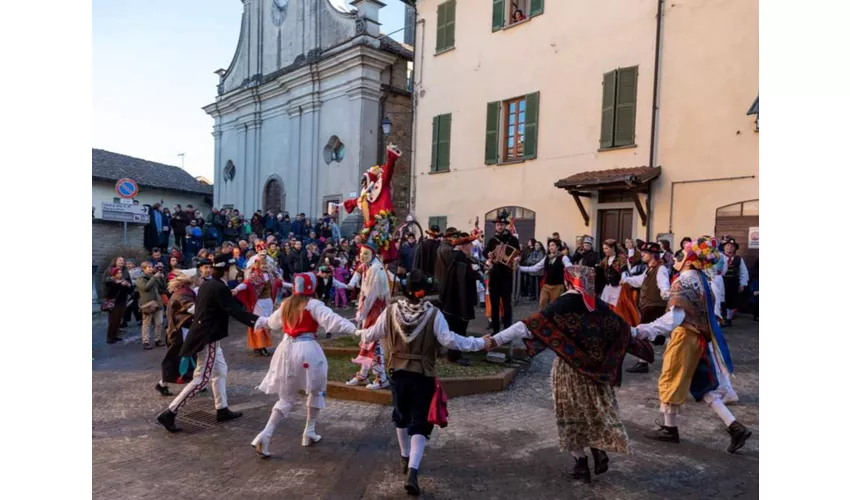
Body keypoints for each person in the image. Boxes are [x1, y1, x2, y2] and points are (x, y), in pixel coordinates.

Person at [488, 266, 655, 483]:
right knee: (594, 412)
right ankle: (597, 448)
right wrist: (650, 332)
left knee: (570, 415)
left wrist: (495, 340)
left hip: (569, 371)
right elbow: (626, 331)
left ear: (568, 282)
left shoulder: (562, 304)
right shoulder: (601, 307)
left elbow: (527, 326)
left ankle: (581, 464)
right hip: (598, 376)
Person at [356, 270, 487, 495]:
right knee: (421, 421)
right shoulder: (434, 314)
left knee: (400, 416)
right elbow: (450, 340)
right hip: (422, 375)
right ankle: (413, 471)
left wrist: (355, 329)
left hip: (397, 373)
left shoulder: (390, 311)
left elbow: (370, 335)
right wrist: (479, 343)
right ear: (424, 292)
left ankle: (404, 457)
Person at [634, 236, 751, 454]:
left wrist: (643, 330)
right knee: (702, 385)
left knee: (670, 378)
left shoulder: (684, 280)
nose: (676, 258)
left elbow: (674, 318)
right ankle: (734, 426)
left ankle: (670, 429)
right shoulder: (701, 280)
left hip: (684, 337)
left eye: (680, 255)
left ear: (689, 259)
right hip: (698, 338)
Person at [248, 272, 357, 457]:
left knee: (287, 397)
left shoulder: (286, 304)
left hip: (286, 350)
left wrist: (254, 320)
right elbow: (334, 321)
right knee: (316, 389)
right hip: (308, 350)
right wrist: (356, 330)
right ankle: (309, 430)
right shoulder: (313, 304)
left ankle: (265, 434)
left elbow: (271, 323)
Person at [156, 254, 260, 433]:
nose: (200, 275)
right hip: (206, 336)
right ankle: (170, 412)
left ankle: (222, 408)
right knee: (201, 378)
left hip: (204, 335)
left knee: (220, 371)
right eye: (196, 275)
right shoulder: (192, 292)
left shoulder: (203, 287)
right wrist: (258, 321)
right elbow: (214, 310)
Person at [344, 242, 391, 390]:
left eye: (366, 253)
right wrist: (360, 311)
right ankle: (363, 375)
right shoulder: (366, 266)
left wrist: (362, 313)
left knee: (373, 343)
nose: (362, 256)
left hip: (376, 310)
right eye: (361, 253)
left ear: (373, 255)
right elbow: (362, 291)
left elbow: (371, 297)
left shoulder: (376, 270)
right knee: (366, 341)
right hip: (369, 310)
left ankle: (381, 378)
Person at [620, 242, 670, 374]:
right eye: (642, 252)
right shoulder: (650, 268)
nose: (642, 254)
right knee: (653, 334)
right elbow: (640, 280)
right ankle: (671, 344)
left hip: (655, 305)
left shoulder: (661, 269)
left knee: (642, 332)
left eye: (645, 252)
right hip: (648, 305)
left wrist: (666, 293)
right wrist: (627, 280)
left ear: (653, 255)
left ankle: (643, 362)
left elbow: (663, 284)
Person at [439, 232, 481, 366]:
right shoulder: (460, 259)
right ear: (463, 246)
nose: (471, 247)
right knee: (458, 328)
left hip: (453, 298)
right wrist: (477, 273)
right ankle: (454, 355)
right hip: (458, 300)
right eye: (469, 245)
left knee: (454, 327)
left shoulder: (457, 256)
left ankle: (455, 352)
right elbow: (465, 278)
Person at [156, 271, 198, 397]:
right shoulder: (183, 293)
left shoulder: (185, 291)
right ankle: (163, 384)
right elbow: (191, 307)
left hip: (180, 331)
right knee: (176, 359)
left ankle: (196, 381)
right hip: (178, 332)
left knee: (184, 358)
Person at [484, 211, 521, 332]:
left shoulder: (512, 239)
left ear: (505, 225)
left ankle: (507, 329)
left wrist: (518, 258)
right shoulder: (492, 240)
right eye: (498, 225)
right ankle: (495, 330)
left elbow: (519, 253)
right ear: (496, 226)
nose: (499, 226)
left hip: (507, 275)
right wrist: (488, 254)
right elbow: (485, 252)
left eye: (502, 224)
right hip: (494, 275)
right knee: (494, 305)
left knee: (507, 305)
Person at [234, 256, 276, 356]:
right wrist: (236, 289)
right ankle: (260, 346)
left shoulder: (270, 275)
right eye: (263, 264)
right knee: (259, 323)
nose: (265, 266)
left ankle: (261, 345)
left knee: (267, 323)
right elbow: (246, 284)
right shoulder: (255, 276)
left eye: (266, 264)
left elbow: (278, 284)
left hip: (268, 302)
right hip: (259, 303)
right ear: (258, 265)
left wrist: (291, 286)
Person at [519, 239, 571, 310]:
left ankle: (552, 320)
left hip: (558, 286)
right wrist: (519, 268)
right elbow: (535, 268)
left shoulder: (563, 257)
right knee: (542, 303)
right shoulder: (546, 258)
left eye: (553, 245)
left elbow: (569, 267)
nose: (550, 247)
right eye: (549, 245)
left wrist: (569, 268)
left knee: (554, 307)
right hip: (546, 285)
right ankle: (542, 319)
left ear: (558, 247)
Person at [136, 261, 167, 350]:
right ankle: (145, 341)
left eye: (151, 267)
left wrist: (161, 278)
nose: (150, 268)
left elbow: (163, 288)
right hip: (147, 304)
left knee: (159, 322)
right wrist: (154, 277)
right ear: (143, 269)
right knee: (146, 324)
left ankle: (158, 339)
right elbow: (146, 288)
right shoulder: (140, 279)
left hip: (158, 302)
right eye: (148, 267)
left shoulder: (155, 277)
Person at [102, 257, 133, 344]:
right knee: (113, 319)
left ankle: (115, 335)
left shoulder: (125, 272)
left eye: (123, 261)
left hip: (122, 299)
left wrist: (129, 286)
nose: (122, 262)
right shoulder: (110, 274)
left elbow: (129, 283)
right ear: (115, 262)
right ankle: (110, 337)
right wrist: (117, 282)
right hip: (113, 300)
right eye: (120, 260)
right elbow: (107, 283)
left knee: (119, 318)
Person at [720, 237, 749, 327]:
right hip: (721, 283)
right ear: (724, 247)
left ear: (735, 248)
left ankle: (728, 319)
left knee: (731, 302)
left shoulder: (738, 259)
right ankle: (720, 319)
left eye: (732, 246)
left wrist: (742, 284)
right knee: (720, 300)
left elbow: (744, 272)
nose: (730, 248)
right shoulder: (718, 257)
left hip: (733, 283)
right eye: (728, 246)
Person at [598, 239, 628, 307]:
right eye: (603, 249)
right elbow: (599, 268)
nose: (604, 251)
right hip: (608, 286)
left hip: (617, 287)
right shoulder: (606, 259)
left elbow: (624, 271)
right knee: (604, 306)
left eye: (606, 248)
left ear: (613, 248)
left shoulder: (621, 258)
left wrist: (623, 279)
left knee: (616, 308)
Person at [434, 227, 458, 293]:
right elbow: (451, 267)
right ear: (449, 237)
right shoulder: (449, 249)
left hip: (441, 280)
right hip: (446, 282)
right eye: (455, 236)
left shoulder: (442, 246)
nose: (456, 238)